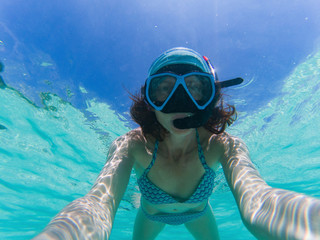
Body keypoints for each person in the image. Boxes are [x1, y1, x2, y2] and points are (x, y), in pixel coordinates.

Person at [33, 47, 320, 240]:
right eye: (164, 89)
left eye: (195, 88)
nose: (180, 103)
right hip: (150, 216)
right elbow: (96, 204)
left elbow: (260, 200)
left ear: (210, 97)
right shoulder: (131, 145)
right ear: (150, 100)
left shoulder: (224, 145)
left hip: (199, 215)